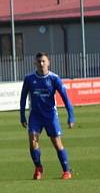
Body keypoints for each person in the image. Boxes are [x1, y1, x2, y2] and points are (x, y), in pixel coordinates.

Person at [20, 52, 75, 180]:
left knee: (57, 143)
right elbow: (23, 98)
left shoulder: (54, 79)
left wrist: (71, 116)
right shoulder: (29, 79)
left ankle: (66, 170)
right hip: (35, 116)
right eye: (39, 61)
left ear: (48, 62)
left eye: (43, 61)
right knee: (33, 141)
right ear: (35, 63)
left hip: (50, 116)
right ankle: (38, 168)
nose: (41, 64)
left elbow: (66, 98)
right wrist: (22, 115)